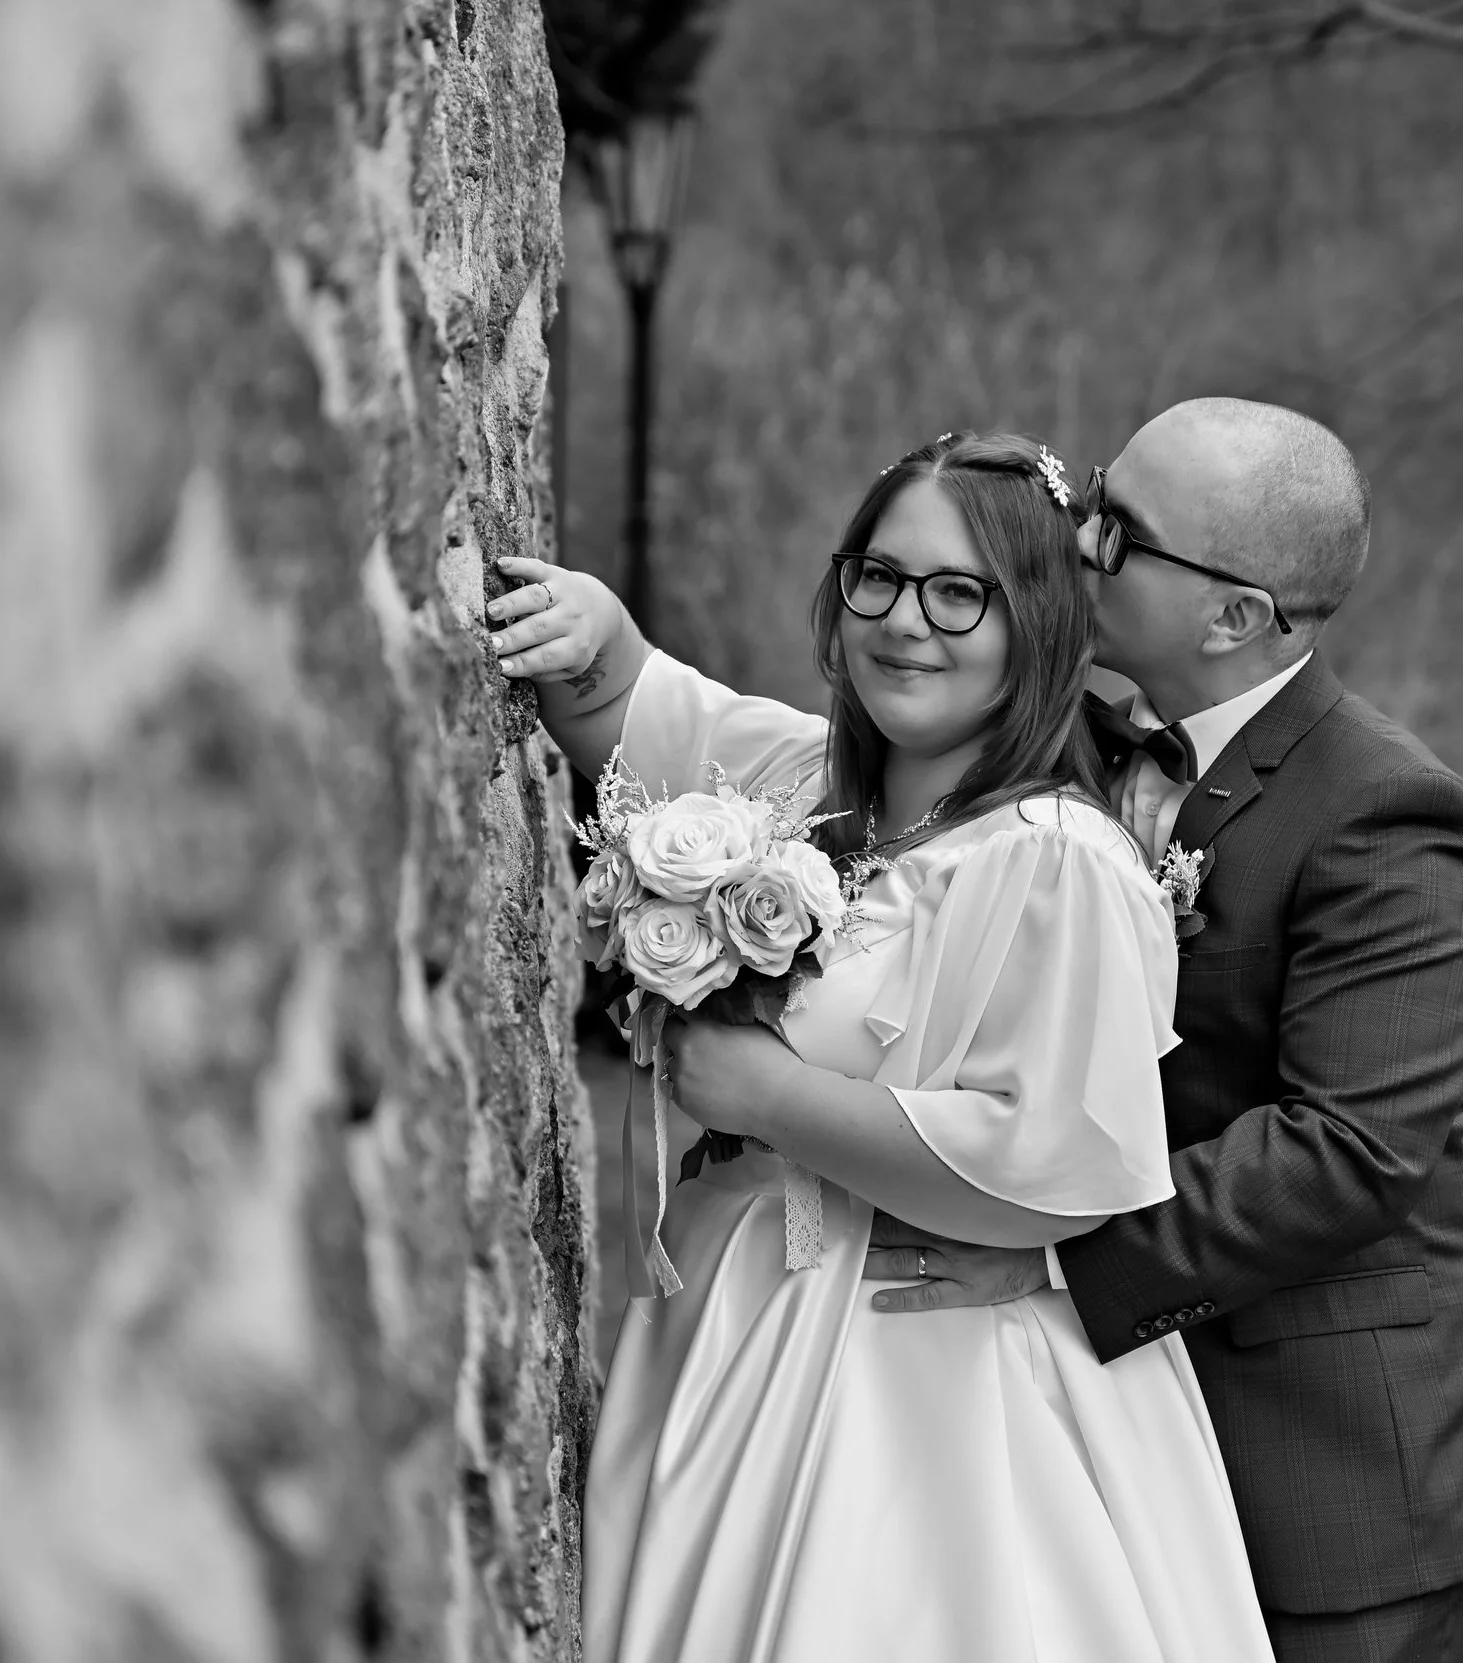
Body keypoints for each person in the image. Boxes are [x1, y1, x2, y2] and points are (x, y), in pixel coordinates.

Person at [493, 431, 1270, 1662]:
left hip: (934, 1385)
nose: (908, 620)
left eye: (961, 593)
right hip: (732, 1332)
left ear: (1041, 624)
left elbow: (1056, 1164)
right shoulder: (808, 785)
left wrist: (771, 1095)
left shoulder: (1056, 862)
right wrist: (587, 625)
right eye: (880, 577)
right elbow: (626, 707)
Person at [866, 399, 1463, 1663]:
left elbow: (1350, 1148)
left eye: (1118, 529)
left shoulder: (1391, 813)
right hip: (1084, 1430)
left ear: (1235, 617)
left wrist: (1046, 1251)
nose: (1076, 540)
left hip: (1318, 1445)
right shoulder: (1059, 745)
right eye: (1093, 494)